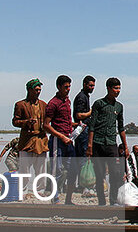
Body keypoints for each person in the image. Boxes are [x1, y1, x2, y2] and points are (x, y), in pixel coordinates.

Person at [87, 77, 127, 205]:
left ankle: (113, 201)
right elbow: (91, 125)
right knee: (100, 175)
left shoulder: (119, 107)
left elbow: (121, 127)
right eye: (115, 88)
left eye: (119, 88)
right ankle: (101, 202)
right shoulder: (99, 104)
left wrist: (125, 146)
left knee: (115, 173)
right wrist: (90, 145)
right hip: (98, 143)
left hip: (111, 144)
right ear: (108, 88)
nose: (118, 91)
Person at [45, 75, 78, 204]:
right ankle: (55, 198)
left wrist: (76, 126)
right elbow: (46, 125)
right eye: (66, 87)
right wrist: (61, 136)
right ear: (58, 87)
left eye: (69, 87)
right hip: (57, 141)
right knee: (56, 171)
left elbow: (66, 121)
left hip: (69, 140)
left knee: (72, 170)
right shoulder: (53, 103)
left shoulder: (67, 101)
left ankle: (68, 199)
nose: (68, 89)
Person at [12, 79, 48, 195]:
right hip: (27, 141)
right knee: (24, 169)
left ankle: (40, 190)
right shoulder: (20, 105)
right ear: (29, 90)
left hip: (41, 140)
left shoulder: (43, 105)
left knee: (41, 169)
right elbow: (15, 121)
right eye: (36, 89)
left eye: (40, 90)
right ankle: (23, 191)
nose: (38, 92)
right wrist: (26, 122)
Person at [72, 75, 96, 189]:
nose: (92, 88)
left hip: (82, 130)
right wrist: (91, 112)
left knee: (82, 157)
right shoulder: (82, 97)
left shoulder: (85, 96)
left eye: (93, 86)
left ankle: (81, 184)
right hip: (82, 130)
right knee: (83, 156)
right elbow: (79, 115)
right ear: (84, 84)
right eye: (90, 85)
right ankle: (83, 184)